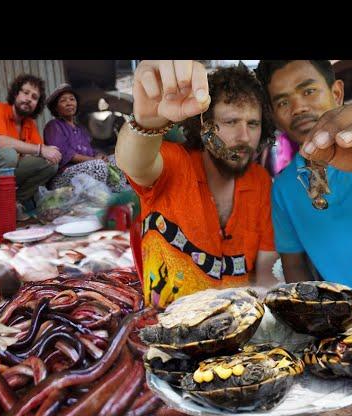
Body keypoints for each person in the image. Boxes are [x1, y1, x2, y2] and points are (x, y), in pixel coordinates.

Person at [115, 61, 279, 309]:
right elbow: (135, 163)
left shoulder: (261, 182)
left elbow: (266, 273)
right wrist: (147, 122)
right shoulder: (174, 164)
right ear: (205, 126)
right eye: (231, 122)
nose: (244, 136)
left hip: (238, 329)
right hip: (165, 330)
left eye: (253, 124)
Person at [255, 60, 352, 292]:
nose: (298, 107)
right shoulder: (283, 189)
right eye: (283, 101)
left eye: (308, 91)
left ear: (337, 93)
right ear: (274, 116)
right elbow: (293, 264)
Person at [0, 73, 60, 219]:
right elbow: (1, 143)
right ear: (16, 94)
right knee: (10, 154)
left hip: (9, 170)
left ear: (37, 104)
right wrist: (40, 149)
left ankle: (15, 201)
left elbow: (38, 154)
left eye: (34, 97)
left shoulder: (29, 124)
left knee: (50, 164)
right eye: (25, 93)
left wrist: (50, 151)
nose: (28, 99)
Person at [43, 83, 129, 192]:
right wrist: (94, 160)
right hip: (63, 176)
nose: (69, 103)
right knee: (99, 165)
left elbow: (90, 151)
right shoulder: (53, 126)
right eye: (63, 100)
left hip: (88, 167)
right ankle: (99, 198)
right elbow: (64, 153)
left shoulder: (80, 129)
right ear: (56, 108)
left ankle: (118, 195)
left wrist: (99, 155)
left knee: (117, 160)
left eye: (72, 99)